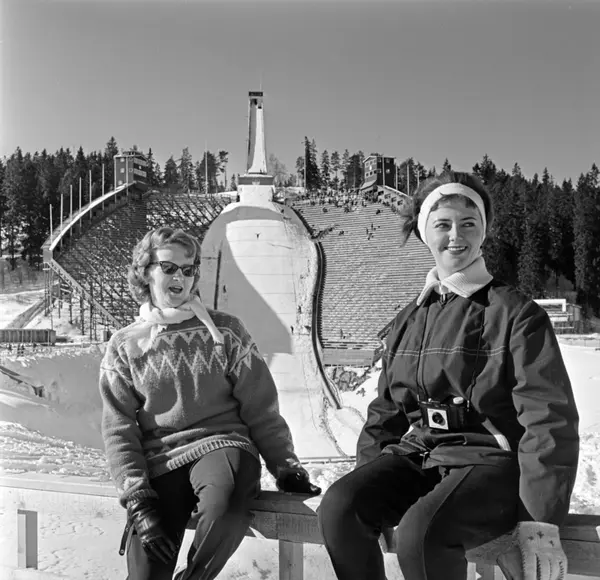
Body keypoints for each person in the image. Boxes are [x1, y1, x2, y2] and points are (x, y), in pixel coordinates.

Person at [318, 171, 579, 580]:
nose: (456, 236)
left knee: (422, 534)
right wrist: (368, 482)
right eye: (443, 224)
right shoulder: (409, 319)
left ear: (483, 232)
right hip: (424, 455)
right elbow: (386, 411)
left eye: (468, 223)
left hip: (490, 461)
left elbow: (548, 417)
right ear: (426, 233)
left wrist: (540, 519)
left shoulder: (515, 314)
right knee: (340, 507)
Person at [99, 226, 320, 580]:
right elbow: (118, 428)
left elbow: (261, 406)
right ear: (145, 271)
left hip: (222, 444)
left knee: (226, 506)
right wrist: (138, 499)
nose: (180, 277)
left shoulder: (226, 331)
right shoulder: (125, 345)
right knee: (146, 570)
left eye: (188, 269)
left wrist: (286, 466)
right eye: (169, 267)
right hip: (162, 460)